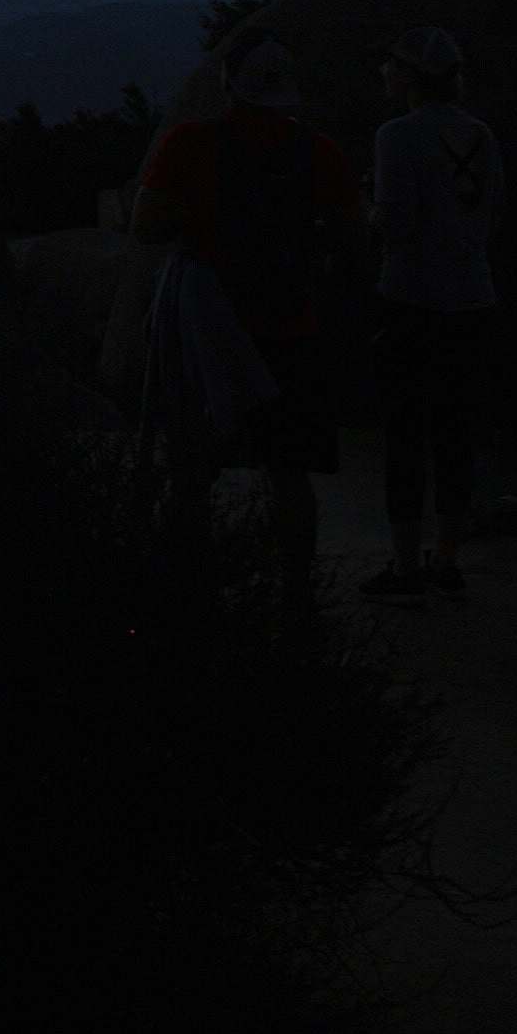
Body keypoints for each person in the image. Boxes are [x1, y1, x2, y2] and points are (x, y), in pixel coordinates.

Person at [129, 38, 355, 612]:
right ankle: (296, 598)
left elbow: (146, 224)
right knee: (288, 472)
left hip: (207, 327)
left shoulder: (190, 144)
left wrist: (210, 216)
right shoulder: (319, 152)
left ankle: (186, 588)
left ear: (228, 84)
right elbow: (349, 235)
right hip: (290, 326)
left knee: (191, 468)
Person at [357, 27, 502, 604]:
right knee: (455, 431)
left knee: (405, 432)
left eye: (391, 66)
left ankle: (403, 563)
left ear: (409, 77)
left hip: (411, 299)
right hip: (473, 299)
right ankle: (447, 558)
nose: (385, 76)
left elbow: (392, 223)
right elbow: (494, 215)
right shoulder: (481, 135)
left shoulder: (395, 137)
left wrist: (364, 209)